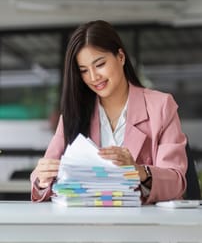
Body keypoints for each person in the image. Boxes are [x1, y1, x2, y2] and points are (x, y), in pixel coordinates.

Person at [30, 20, 187, 204]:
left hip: (141, 225)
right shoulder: (75, 111)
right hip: (86, 224)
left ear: (120, 57)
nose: (94, 77)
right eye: (84, 71)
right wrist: (42, 179)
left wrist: (139, 171)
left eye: (100, 64)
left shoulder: (160, 106)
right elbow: (41, 181)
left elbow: (177, 182)